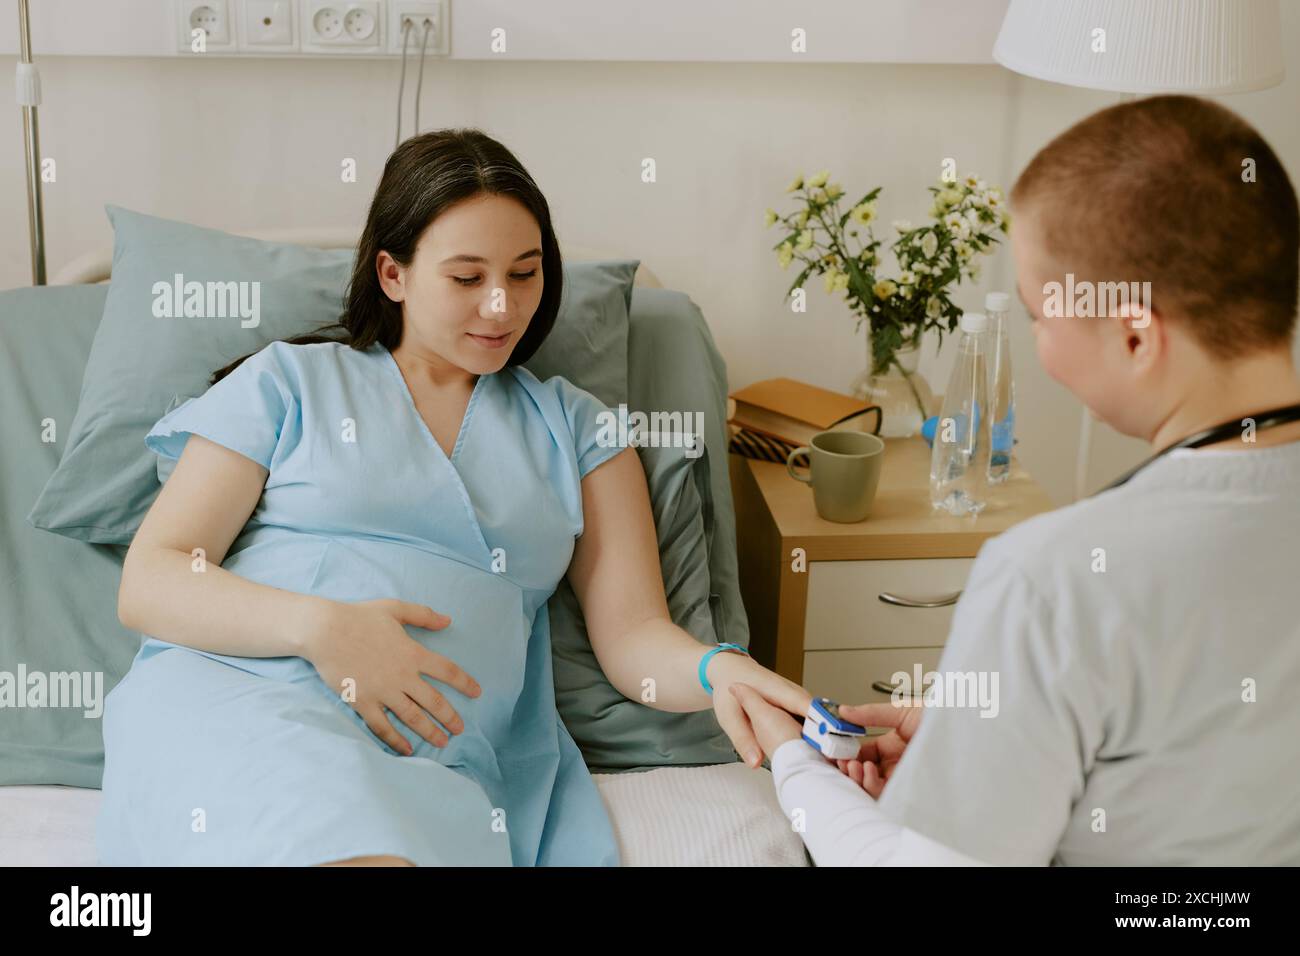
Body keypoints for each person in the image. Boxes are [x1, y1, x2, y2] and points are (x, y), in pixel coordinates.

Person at [98, 128, 810, 867]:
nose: (502, 307)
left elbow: (632, 637)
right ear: (393, 274)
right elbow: (152, 577)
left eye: (525, 273)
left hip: (435, 747)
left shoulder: (582, 432)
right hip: (239, 701)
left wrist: (718, 670)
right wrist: (322, 629)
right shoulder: (290, 385)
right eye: (467, 278)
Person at [732, 94, 1300, 866]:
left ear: (1135, 335)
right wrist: (1004, 731)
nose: (1037, 344)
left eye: (1039, 314)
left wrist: (795, 765)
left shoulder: (1052, 581)